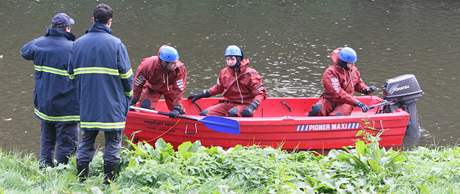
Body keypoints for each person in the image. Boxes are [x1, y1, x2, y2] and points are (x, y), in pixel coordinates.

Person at [68, 3, 133, 183]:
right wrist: (128, 95)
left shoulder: (77, 44)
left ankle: (82, 180)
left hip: (88, 104)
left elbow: (71, 74)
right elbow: (127, 77)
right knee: (113, 142)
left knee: (86, 141)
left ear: (93, 20)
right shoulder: (116, 44)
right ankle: (108, 181)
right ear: (110, 22)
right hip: (112, 104)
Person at [20, 13, 79, 169]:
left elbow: (24, 51)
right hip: (67, 108)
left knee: (47, 140)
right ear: (67, 28)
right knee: (67, 143)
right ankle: (62, 173)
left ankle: (44, 169)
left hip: (45, 105)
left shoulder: (39, 44)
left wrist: (45, 37)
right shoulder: (74, 48)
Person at [188, 45, 267, 117]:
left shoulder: (250, 73)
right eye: (227, 59)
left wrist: (252, 106)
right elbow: (218, 88)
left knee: (233, 113)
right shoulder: (224, 72)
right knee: (205, 114)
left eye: (232, 59)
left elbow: (261, 94)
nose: (229, 61)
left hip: (246, 104)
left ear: (239, 59)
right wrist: (203, 94)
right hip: (229, 103)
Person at [308, 47, 377, 116]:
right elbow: (338, 93)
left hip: (346, 103)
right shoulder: (330, 72)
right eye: (350, 63)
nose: (353, 65)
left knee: (337, 116)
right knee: (316, 110)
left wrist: (366, 89)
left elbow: (358, 83)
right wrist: (357, 103)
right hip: (329, 100)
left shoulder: (354, 71)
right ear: (343, 63)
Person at [131, 45, 187, 118]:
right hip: (152, 88)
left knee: (179, 112)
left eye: (175, 63)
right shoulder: (147, 66)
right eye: (171, 64)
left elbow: (179, 89)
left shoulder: (179, 69)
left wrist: (177, 107)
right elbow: (138, 84)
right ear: (163, 61)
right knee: (145, 109)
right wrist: (133, 100)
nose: (174, 66)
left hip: (171, 89)